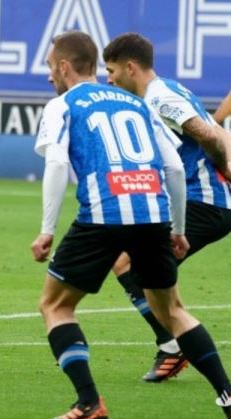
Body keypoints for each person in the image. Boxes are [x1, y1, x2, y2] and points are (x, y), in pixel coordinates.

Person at [32, 30, 231, 418]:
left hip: (104, 212)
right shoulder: (135, 103)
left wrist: (47, 230)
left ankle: (89, 402)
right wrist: (175, 229)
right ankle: (227, 394)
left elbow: (56, 163)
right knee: (173, 309)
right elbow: (173, 166)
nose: (48, 76)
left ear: (63, 66)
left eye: (49, 67)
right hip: (154, 213)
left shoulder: (64, 104)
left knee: (55, 306)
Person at [102, 32, 231, 383]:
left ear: (131, 67)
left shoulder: (159, 97)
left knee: (130, 263)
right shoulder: (167, 90)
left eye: (112, 71)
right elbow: (215, 130)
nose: (109, 79)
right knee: (136, 265)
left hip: (204, 202)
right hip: (199, 201)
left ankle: (175, 345)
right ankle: (172, 343)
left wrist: (225, 168)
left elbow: (207, 133)